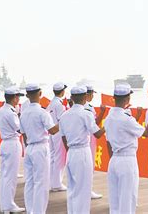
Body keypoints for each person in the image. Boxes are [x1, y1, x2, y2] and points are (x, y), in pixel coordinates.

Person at [104, 84, 148, 214]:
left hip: (114, 160)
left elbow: (108, 142)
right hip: (126, 161)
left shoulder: (109, 117)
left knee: (115, 201)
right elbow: (146, 133)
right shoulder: (125, 118)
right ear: (127, 99)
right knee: (128, 200)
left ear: (114, 98)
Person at [59, 86, 105, 214]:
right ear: (85, 97)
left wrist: (70, 151)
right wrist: (107, 124)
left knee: (72, 189)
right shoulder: (86, 114)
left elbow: (63, 138)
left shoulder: (64, 115)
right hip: (82, 152)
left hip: (71, 152)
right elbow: (97, 134)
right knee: (83, 189)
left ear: (72, 98)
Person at [20, 83, 59, 214]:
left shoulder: (24, 113)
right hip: (41, 147)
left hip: (29, 147)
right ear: (40, 94)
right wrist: (63, 120)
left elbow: (24, 134)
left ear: (27, 96)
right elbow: (53, 130)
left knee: (30, 182)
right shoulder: (42, 112)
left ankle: (30, 210)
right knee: (41, 182)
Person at [0, 87, 25, 213]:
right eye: (17, 97)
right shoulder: (10, 112)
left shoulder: (2, 110)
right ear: (14, 98)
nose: (18, 99)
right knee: (11, 176)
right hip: (12, 144)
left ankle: (5, 205)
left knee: (5, 175)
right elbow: (19, 129)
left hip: (6, 143)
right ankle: (9, 206)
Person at [84, 84, 106, 199]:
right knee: (89, 165)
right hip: (89, 138)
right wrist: (103, 113)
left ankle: (85, 190)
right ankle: (88, 190)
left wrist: (101, 112)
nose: (93, 96)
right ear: (88, 94)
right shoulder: (88, 108)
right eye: (92, 94)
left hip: (85, 138)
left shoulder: (83, 107)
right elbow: (95, 125)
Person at [47, 82, 68, 192]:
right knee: (59, 158)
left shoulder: (51, 103)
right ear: (62, 91)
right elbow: (62, 120)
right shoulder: (59, 104)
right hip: (59, 132)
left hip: (52, 132)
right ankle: (57, 183)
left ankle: (52, 181)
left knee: (53, 157)